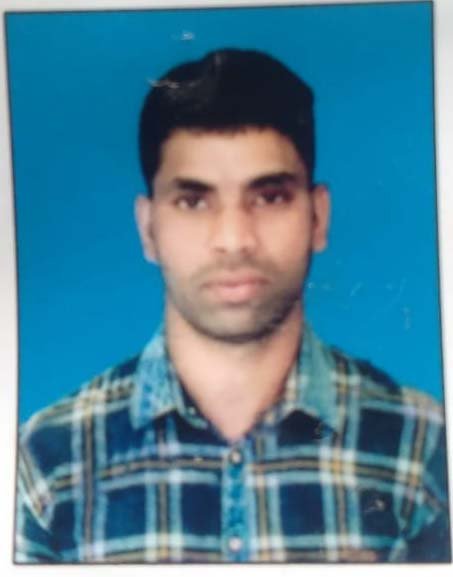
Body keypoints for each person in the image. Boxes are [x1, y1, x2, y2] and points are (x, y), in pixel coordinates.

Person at [15, 48, 450, 564]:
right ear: (148, 229)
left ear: (318, 216)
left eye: (270, 196)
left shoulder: (422, 448)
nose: (234, 239)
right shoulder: (47, 463)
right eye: (193, 201)